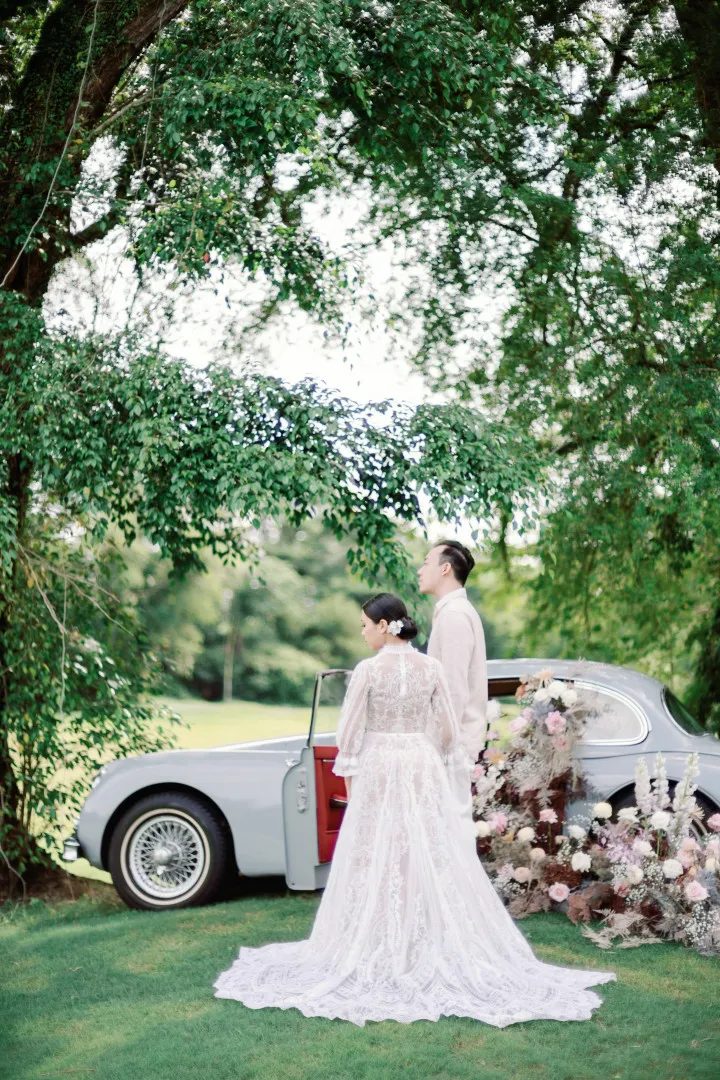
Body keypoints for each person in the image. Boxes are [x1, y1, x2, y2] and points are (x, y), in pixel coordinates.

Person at [213, 593, 615, 1027]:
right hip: (420, 764)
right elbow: (448, 729)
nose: (362, 632)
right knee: (424, 846)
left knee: (378, 848)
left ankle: (380, 937)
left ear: (384, 626)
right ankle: (421, 934)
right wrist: (424, 749)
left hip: (380, 765)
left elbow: (348, 736)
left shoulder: (368, 671)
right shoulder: (430, 668)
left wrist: (358, 775)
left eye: (364, 625)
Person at [419, 540, 488, 804]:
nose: (420, 570)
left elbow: (453, 691)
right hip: (450, 749)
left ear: (445, 568)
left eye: (426, 563)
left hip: (449, 752)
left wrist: (436, 749)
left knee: (449, 826)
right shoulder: (452, 612)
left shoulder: (454, 615)